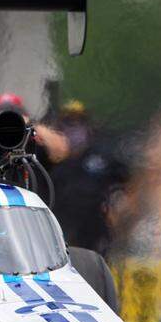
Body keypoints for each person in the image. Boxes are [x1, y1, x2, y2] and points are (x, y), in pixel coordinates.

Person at [43, 99, 129, 254]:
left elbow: (123, 183)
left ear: (88, 128)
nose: (73, 131)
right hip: (61, 229)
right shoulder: (50, 161)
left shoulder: (102, 158)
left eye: (78, 124)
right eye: (68, 124)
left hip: (96, 231)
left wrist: (117, 200)